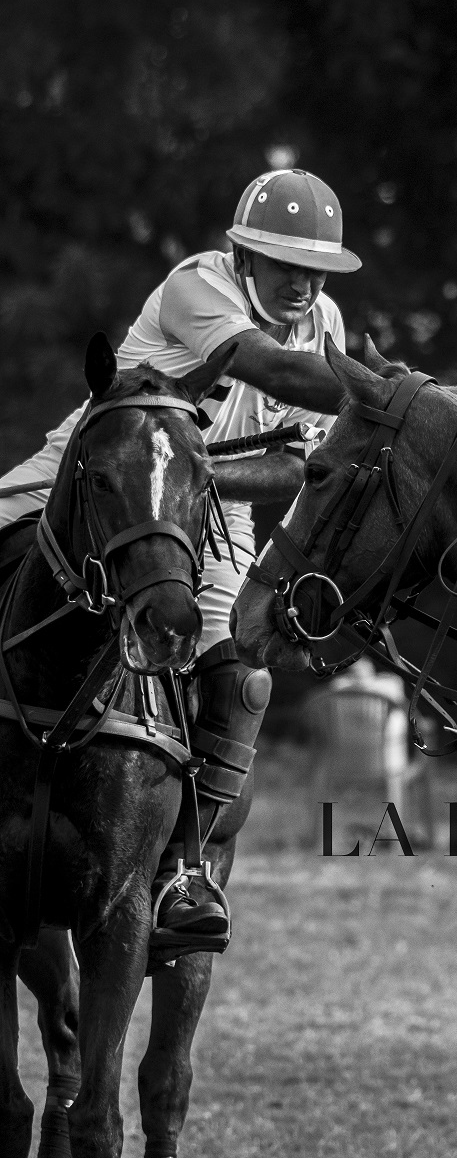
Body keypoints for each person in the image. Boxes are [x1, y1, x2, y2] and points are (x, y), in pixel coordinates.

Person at [0, 166, 360, 940]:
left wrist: (194, 485)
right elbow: (269, 367)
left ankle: (183, 872)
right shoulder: (198, 283)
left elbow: (297, 462)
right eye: (287, 262)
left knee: (243, 672)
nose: (303, 282)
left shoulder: (324, 322)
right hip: (88, 477)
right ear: (244, 255)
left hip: (207, 508)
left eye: (317, 269)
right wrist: (396, 392)